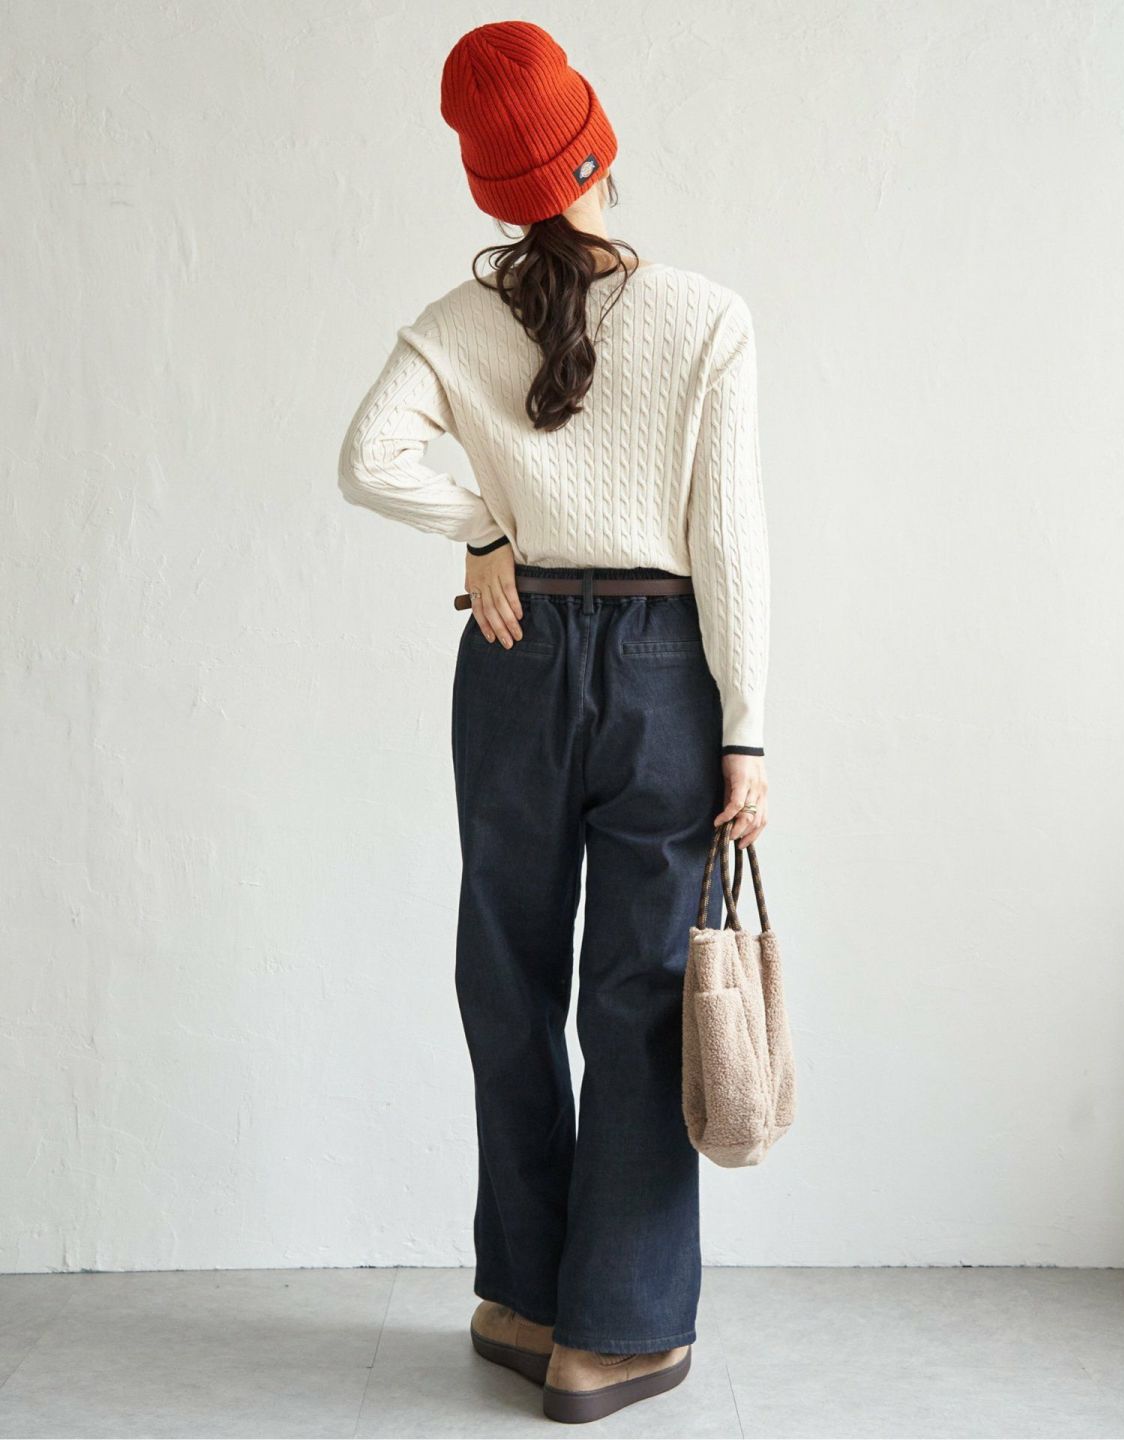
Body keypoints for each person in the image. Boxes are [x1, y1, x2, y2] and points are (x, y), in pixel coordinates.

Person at [336, 20, 770, 1425]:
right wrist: (747, 729)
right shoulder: (706, 318)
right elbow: (731, 543)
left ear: (488, 186)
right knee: (639, 989)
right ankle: (617, 1331)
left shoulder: (454, 325)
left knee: (507, 973)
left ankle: (525, 1298)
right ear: (601, 146)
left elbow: (367, 458)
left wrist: (482, 530)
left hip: (514, 658)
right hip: (659, 663)